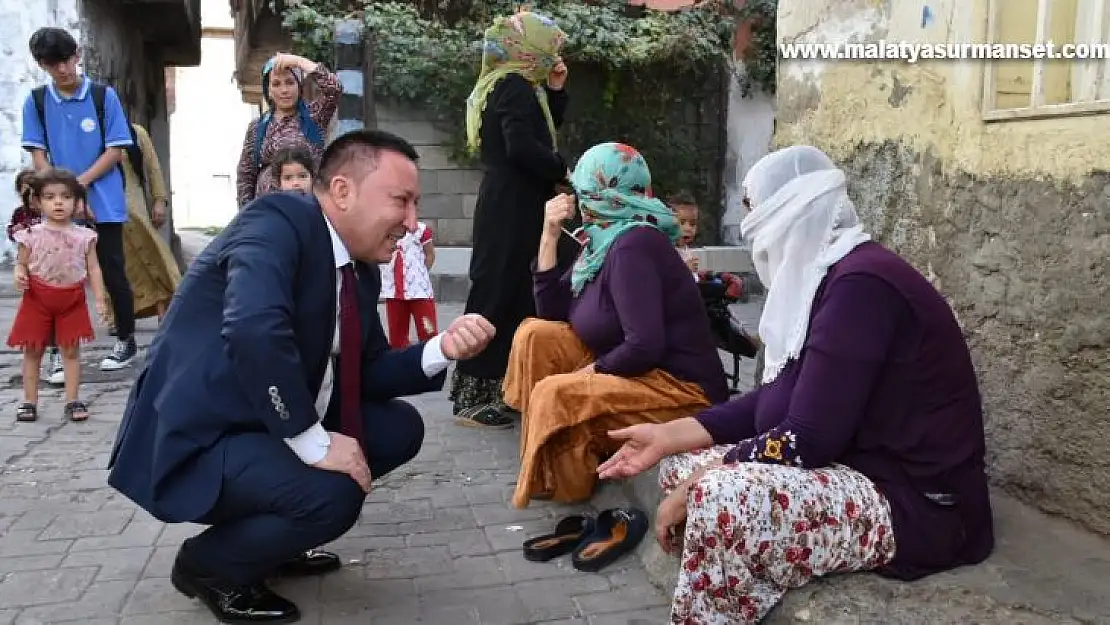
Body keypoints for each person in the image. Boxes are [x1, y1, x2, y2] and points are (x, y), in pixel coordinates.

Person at [107, 129, 496, 624]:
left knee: (399, 428)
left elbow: (368, 370)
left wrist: (443, 347)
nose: (412, 222)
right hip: (200, 437)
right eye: (401, 201)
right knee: (335, 493)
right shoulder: (278, 220)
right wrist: (313, 442)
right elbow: (252, 329)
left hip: (258, 425)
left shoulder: (359, 267)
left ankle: (271, 541)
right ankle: (209, 566)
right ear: (341, 190)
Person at [597, 145, 994, 623]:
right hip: (860, 466)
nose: (757, 243)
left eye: (758, 223)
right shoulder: (828, 280)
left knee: (717, 495)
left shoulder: (861, 287)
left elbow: (807, 436)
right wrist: (668, 434)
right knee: (681, 465)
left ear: (791, 218)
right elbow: (779, 396)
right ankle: (735, 590)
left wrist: (709, 479)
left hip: (921, 507)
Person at [503, 142, 730, 508]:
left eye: (584, 191)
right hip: (641, 368)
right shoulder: (602, 239)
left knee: (557, 393)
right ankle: (546, 463)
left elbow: (644, 345)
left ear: (602, 194)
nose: (579, 200)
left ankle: (568, 484)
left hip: (681, 389)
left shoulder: (632, 245)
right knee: (535, 335)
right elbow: (552, 311)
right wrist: (548, 234)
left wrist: (588, 374)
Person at [452, 10, 576, 427]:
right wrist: (563, 171)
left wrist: (556, 90)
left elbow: (536, 132)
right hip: (514, 207)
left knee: (518, 291)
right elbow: (523, 147)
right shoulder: (514, 86)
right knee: (501, 292)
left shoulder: (513, 87)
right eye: (550, 46)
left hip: (513, 202)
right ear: (528, 48)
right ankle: (483, 394)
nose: (555, 53)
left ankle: (509, 390)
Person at [21, 27, 139, 372]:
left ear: (77, 56)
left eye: (67, 61)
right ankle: (59, 351)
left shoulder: (104, 97)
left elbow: (116, 150)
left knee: (112, 270)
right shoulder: (38, 101)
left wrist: (80, 187)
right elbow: (38, 154)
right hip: (58, 203)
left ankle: (126, 339)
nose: (63, 70)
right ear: (43, 66)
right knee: (56, 275)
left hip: (104, 200)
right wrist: (63, 195)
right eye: (53, 64)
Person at [8, 168, 108, 423]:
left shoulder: (84, 237)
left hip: (72, 300)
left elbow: (94, 268)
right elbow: (21, 263)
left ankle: (72, 400)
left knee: (71, 352)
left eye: (66, 196)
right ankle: (29, 401)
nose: (59, 202)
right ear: (38, 202)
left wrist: (100, 299)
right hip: (37, 299)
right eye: (50, 197)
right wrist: (19, 273)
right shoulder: (30, 235)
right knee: (33, 350)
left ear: (77, 202)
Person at [236, 52, 342, 208]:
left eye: (290, 82)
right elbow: (246, 174)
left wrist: (298, 61)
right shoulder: (258, 127)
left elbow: (334, 88)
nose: (284, 90)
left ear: (299, 87)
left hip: (307, 208)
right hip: (268, 211)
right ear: (269, 91)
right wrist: (247, 214)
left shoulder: (315, 116)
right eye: (276, 84)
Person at [118, 122, 180, 322]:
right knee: (122, 266)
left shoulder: (134, 132)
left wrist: (159, 200)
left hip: (135, 207)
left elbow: (153, 167)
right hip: (106, 210)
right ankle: (119, 317)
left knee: (155, 258)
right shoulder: (89, 133)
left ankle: (166, 311)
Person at [379, 220, 438, 349]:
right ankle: (400, 364)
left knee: (428, 332)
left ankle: (431, 363)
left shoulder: (421, 230)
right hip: (394, 291)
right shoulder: (383, 229)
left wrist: (419, 275)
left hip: (420, 292)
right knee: (397, 337)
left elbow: (430, 255)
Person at [670, 190, 701, 275]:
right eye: (682, 222)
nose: (688, 228)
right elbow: (666, 277)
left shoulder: (686, 250)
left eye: (692, 224)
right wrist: (685, 269)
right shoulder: (667, 251)